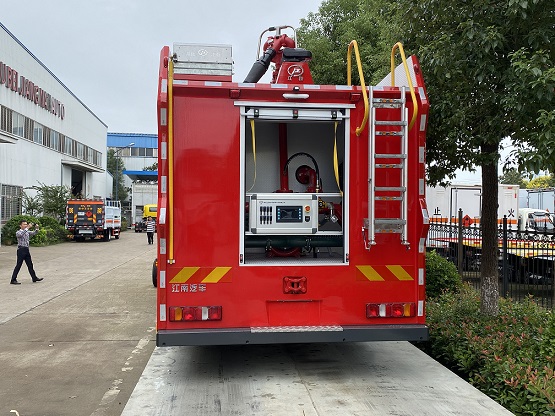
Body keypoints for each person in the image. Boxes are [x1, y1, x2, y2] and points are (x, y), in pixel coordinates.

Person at [10, 220, 43, 285]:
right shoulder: (18, 232)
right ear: (20, 225)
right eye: (24, 224)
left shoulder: (27, 232)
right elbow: (20, 235)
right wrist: (27, 228)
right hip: (21, 250)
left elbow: (34, 233)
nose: (26, 225)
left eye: (26, 224)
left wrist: (37, 228)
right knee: (18, 265)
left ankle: (34, 277)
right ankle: (13, 279)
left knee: (30, 264)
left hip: (26, 249)